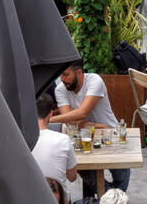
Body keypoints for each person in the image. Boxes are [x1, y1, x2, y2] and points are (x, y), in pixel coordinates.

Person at [51, 61, 127, 196]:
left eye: (66, 75)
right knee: (90, 178)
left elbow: (82, 113)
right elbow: (69, 121)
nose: (62, 79)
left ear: (79, 72)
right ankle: (107, 201)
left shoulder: (94, 81)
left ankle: (111, 201)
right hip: (83, 140)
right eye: (60, 76)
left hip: (110, 136)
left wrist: (50, 120)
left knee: (121, 181)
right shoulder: (60, 89)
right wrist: (95, 125)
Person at [31, 90, 78, 184]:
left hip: (30, 197)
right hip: (58, 198)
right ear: (51, 114)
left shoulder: (20, 140)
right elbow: (72, 178)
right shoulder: (64, 140)